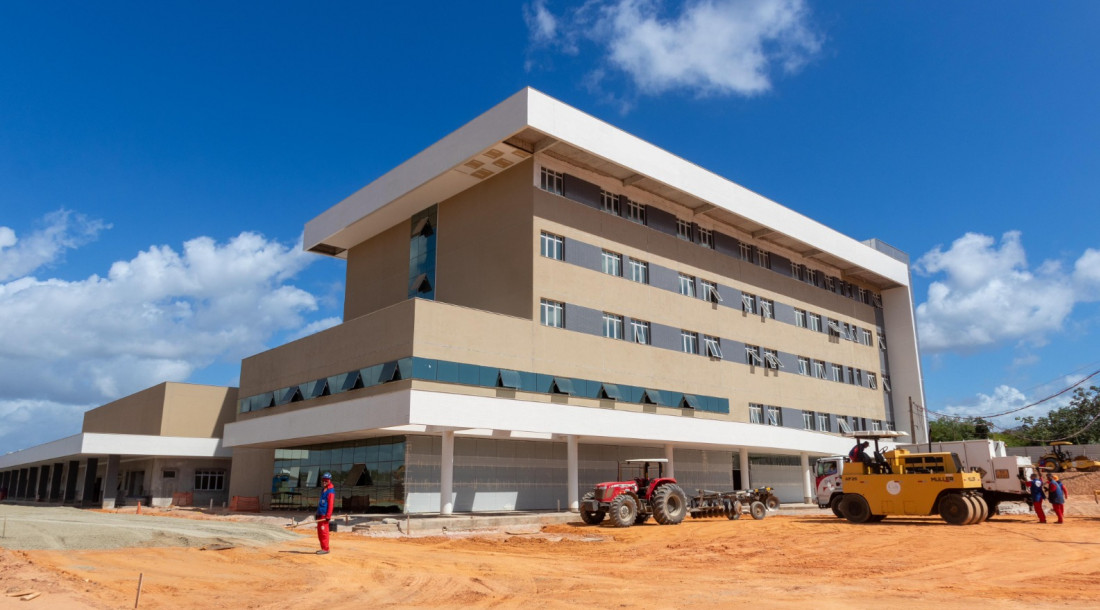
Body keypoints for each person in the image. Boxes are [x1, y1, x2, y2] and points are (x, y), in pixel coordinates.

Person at [315, 472, 336, 554]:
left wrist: (328, 516)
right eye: (323, 480)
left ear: (329, 481)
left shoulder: (330, 491)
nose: (324, 482)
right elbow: (321, 503)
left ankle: (326, 549)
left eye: (326, 481)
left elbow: (331, 504)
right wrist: (317, 513)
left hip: (324, 516)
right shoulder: (323, 490)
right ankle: (323, 548)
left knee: (324, 533)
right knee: (320, 533)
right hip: (320, 514)